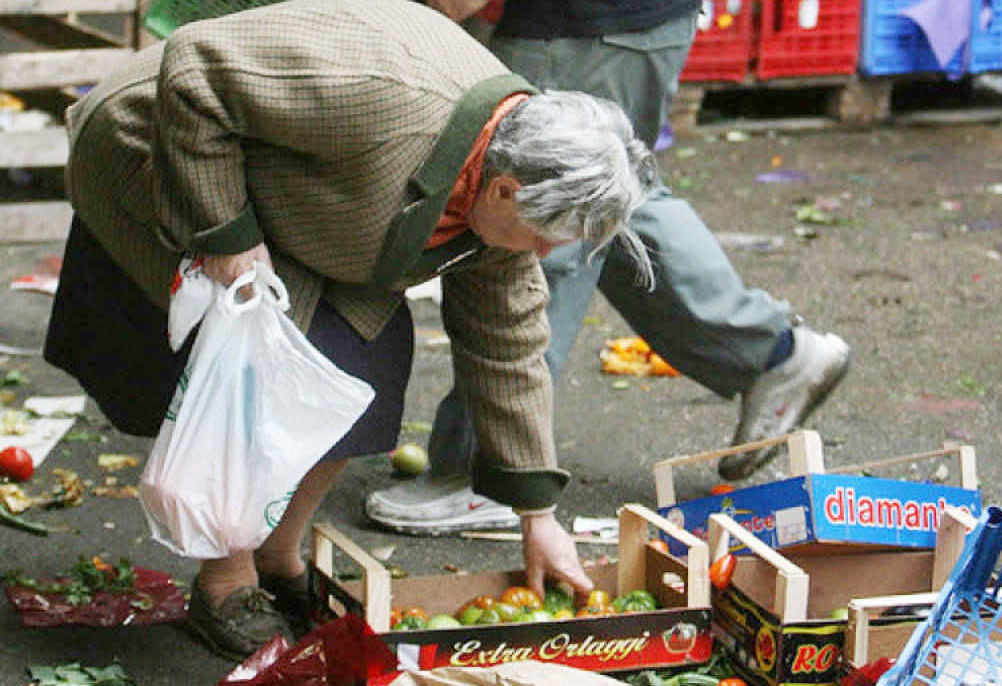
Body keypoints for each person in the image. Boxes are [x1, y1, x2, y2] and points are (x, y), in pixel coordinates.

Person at [43, 0, 659, 662]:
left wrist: (538, 518)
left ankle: (280, 552)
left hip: (304, 197)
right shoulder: (384, 99)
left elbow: (508, 347)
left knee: (369, 362)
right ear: (504, 190)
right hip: (164, 145)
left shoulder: (508, 190)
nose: (539, 253)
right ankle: (227, 580)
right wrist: (224, 231)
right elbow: (195, 70)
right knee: (266, 363)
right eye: (541, 235)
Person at [364, 0, 851, 534]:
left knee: (531, 217)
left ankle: (488, 475)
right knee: (600, 193)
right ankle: (771, 353)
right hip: (627, 24)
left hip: (585, 25)